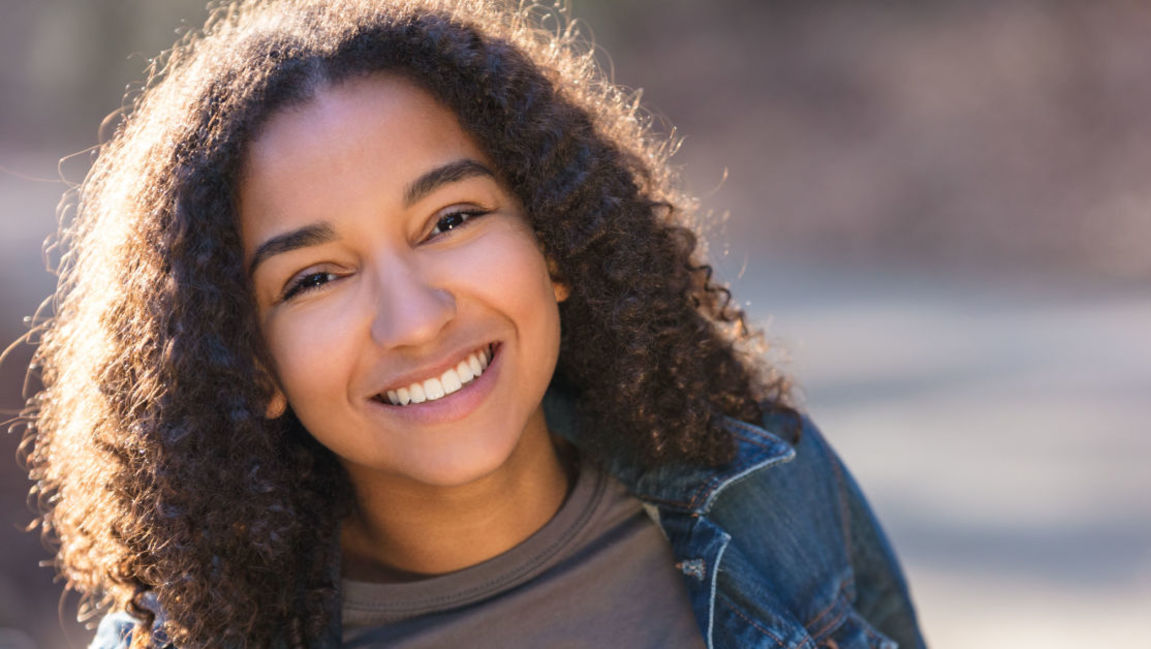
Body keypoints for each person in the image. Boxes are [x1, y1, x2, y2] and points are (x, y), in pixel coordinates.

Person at [22, 1, 925, 648]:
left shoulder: (761, 491)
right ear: (250, 364)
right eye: (315, 277)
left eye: (451, 221)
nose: (414, 321)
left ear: (556, 244)